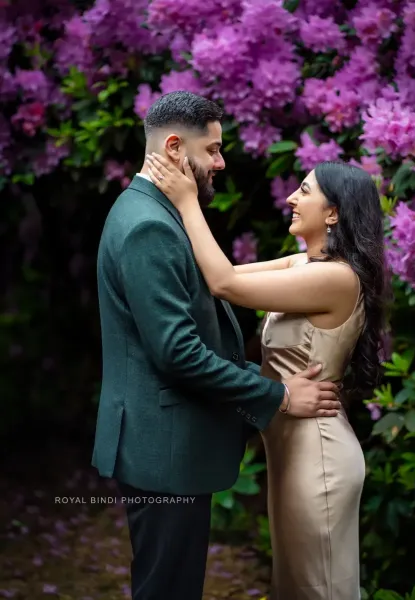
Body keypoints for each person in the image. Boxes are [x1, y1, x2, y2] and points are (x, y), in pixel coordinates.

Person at [91, 91, 342, 600]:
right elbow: (177, 352)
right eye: (214, 150)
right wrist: (279, 395)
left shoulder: (152, 212)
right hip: (165, 449)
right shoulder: (149, 227)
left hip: (160, 442)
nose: (221, 163)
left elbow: (222, 283)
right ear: (176, 148)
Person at [147, 153, 388, 600]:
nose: (292, 198)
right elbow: (218, 275)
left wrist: (187, 202)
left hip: (318, 455)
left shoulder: (338, 279)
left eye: (306, 191)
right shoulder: (303, 266)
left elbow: (225, 285)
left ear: (333, 212)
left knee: (320, 589)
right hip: (289, 446)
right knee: (293, 587)